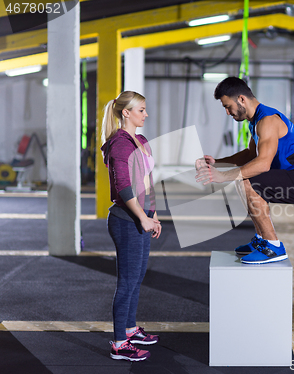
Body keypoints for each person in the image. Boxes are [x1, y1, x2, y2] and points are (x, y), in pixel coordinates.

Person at [195, 77, 294, 264]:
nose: (227, 112)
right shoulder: (255, 121)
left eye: (227, 106)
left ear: (241, 99)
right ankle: (263, 241)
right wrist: (217, 163)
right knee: (245, 179)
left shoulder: (267, 120)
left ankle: (273, 246)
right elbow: (251, 154)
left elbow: (263, 164)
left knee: (248, 180)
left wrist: (222, 176)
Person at [101, 91, 162, 361]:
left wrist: (153, 213)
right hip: (126, 221)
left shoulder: (141, 141)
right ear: (126, 113)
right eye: (141, 110)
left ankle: (129, 328)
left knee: (136, 278)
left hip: (140, 217)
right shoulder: (120, 144)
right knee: (127, 282)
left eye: (145, 109)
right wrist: (142, 217)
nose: (145, 114)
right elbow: (124, 188)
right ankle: (119, 343)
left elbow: (147, 181)